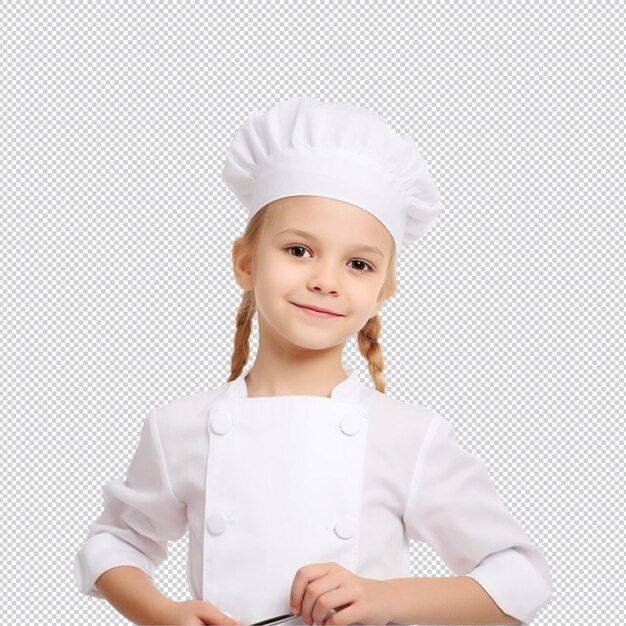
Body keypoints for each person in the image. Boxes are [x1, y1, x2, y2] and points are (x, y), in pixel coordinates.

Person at [74, 96, 552, 626]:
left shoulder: (407, 436)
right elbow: (113, 544)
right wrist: (162, 614)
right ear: (245, 262)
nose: (326, 279)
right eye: (298, 250)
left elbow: (522, 578)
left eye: (358, 263)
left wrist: (384, 598)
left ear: (383, 290)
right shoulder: (178, 428)